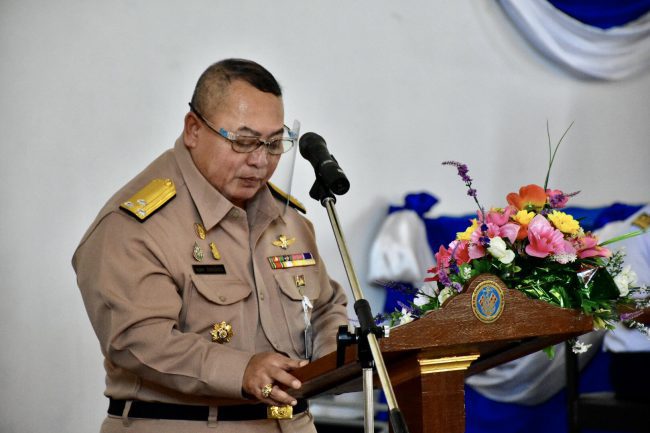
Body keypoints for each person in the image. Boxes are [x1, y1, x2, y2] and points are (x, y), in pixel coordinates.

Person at [73, 58, 349, 433]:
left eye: (273, 144)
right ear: (193, 130)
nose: (260, 161)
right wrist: (242, 370)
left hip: (293, 422)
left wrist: (334, 359)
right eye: (244, 142)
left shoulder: (287, 219)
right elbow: (137, 340)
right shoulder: (136, 225)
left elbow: (326, 307)